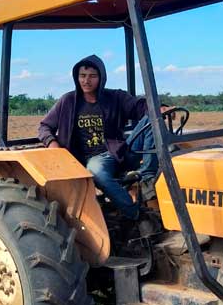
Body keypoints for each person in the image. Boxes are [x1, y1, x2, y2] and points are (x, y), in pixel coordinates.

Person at [37, 54, 165, 221]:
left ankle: (147, 179)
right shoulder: (68, 101)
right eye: (82, 76)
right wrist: (52, 144)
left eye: (92, 76)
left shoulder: (115, 97)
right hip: (92, 159)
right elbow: (44, 127)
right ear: (77, 77)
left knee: (152, 119)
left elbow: (139, 106)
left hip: (119, 151)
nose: (86, 81)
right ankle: (136, 213)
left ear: (101, 78)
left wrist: (159, 108)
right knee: (96, 171)